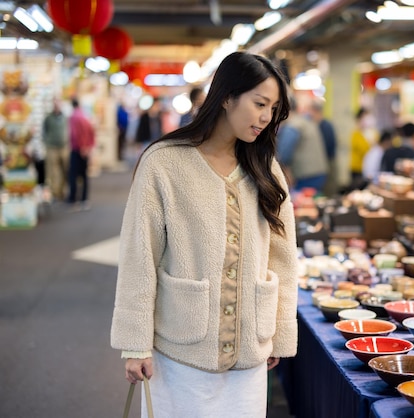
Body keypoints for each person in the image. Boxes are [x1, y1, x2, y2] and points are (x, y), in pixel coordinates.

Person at [110, 51, 299, 418]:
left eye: (273, 108)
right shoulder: (164, 163)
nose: (266, 117)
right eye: (260, 103)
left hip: (249, 350)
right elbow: (139, 255)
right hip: (182, 349)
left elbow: (283, 257)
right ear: (227, 97)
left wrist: (277, 331)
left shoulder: (266, 169)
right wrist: (135, 343)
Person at [276, 95, 329, 192]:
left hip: (305, 175)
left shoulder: (292, 126)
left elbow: (283, 154)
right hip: (318, 172)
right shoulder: (306, 121)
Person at [66, 97, 95, 210]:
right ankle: (84, 198)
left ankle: (73, 198)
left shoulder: (74, 117)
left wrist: (82, 146)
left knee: (73, 175)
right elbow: (91, 131)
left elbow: (76, 134)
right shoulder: (84, 115)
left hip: (77, 149)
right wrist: (89, 146)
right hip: (85, 149)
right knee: (83, 175)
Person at [308, 99, 337, 196]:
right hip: (322, 163)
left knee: (328, 189)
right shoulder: (316, 125)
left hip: (328, 161)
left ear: (316, 111)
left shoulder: (326, 126)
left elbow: (326, 147)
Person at [349, 107, 374, 187]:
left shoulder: (370, 133)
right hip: (357, 168)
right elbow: (363, 150)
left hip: (367, 169)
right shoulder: (356, 134)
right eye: (365, 117)